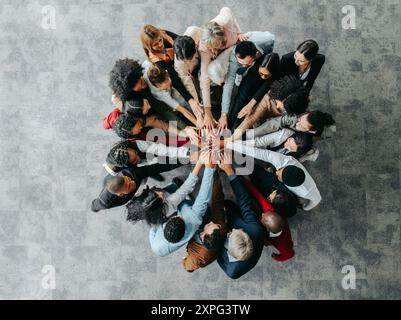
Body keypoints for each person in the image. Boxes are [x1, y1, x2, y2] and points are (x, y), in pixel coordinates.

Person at [148, 150, 216, 257]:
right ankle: (179, 190)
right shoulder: (194, 219)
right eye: (178, 217)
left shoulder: (156, 243)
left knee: (178, 194)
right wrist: (210, 168)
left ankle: (176, 187)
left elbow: (153, 229)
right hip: (187, 207)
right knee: (194, 202)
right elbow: (204, 195)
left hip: (157, 246)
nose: (174, 215)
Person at [225, 141, 322, 211]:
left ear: (285, 184)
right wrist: (228, 144)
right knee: (256, 171)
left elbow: (316, 200)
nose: (276, 173)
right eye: (280, 170)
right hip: (272, 182)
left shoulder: (307, 192)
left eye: (279, 175)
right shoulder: (287, 161)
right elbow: (258, 153)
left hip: (280, 194)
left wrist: (305, 208)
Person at [216, 152, 265, 279]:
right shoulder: (255, 230)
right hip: (232, 213)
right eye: (237, 231)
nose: (231, 230)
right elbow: (244, 200)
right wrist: (229, 171)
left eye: (231, 234)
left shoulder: (233, 271)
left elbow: (218, 259)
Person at [139, 25, 203, 120]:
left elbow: (182, 43)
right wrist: (190, 99)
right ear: (149, 47)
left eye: (160, 40)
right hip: (175, 69)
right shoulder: (156, 59)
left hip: (182, 58)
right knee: (186, 92)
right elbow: (174, 77)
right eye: (155, 44)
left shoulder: (164, 34)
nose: (160, 45)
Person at [198, 7, 246, 129]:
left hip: (233, 46)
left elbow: (226, 9)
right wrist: (207, 112)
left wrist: (239, 32)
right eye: (211, 49)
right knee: (209, 72)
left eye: (216, 47)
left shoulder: (225, 20)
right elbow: (204, 78)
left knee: (230, 75)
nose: (213, 52)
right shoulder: (204, 48)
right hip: (222, 54)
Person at [217, 32, 275, 129]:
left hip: (262, 58)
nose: (243, 66)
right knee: (242, 92)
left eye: (246, 64)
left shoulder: (267, 39)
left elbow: (271, 45)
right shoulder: (234, 59)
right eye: (241, 63)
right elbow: (228, 84)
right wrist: (224, 114)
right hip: (249, 61)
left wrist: (267, 60)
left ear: (255, 55)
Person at [230, 75, 310, 140]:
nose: (277, 106)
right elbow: (251, 119)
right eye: (276, 102)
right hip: (258, 123)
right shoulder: (269, 97)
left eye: (282, 107)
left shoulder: (297, 112)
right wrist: (230, 139)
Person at [241, 177, 295, 262]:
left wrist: (277, 257)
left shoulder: (284, 245)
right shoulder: (269, 211)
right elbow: (257, 194)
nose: (262, 214)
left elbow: (289, 254)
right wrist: (242, 179)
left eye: (262, 217)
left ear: (267, 228)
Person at [91, 163, 181, 212]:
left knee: (149, 169)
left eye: (128, 180)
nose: (132, 182)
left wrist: (188, 159)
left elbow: (162, 166)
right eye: (129, 185)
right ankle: (147, 173)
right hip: (131, 178)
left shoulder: (131, 173)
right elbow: (95, 205)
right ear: (120, 194)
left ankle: (149, 173)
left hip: (136, 171)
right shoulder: (104, 203)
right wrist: (94, 208)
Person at [181, 174, 227, 272]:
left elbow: (188, 266)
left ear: (203, 236)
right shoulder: (220, 227)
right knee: (216, 202)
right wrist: (215, 176)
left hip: (197, 231)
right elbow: (217, 201)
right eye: (212, 225)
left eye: (209, 225)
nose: (211, 222)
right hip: (209, 221)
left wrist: (184, 259)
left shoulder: (197, 258)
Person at [228, 51, 280, 129]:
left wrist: (251, 105)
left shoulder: (276, 73)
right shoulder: (254, 70)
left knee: (248, 115)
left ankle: (236, 132)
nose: (263, 77)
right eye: (261, 74)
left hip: (265, 89)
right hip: (252, 80)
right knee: (239, 106)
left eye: (266, 75)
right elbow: (242, 95)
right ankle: (228, 129)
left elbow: (264, 88)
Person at [104, 139, 194, 175]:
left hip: (146, 151)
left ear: (128, 148)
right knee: (163, 166)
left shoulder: (138, 144)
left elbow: (161, 149)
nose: (137, 157)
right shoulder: (129, 169)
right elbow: (145, 163)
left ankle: (190, 158)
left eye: (135, 153)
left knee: (166, 154)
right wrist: (153, 162)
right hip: (134, 167)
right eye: (135, 160)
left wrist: (187, 152)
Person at [112, 112, 200, 146]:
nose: (141, 127)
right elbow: (165, 138)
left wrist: (185, 130)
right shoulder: (138, 137)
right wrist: (186, 137)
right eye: (138, 129)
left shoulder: (130, 109)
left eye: (139, 125)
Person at [246, 110, 335, 139]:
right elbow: (271, 125)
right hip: (277, 126)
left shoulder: (313, 136)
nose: (297, 124)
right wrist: (251, 134)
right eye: (300, 120)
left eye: (302, 126)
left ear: (312, 131)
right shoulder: (294, 118)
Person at [243, 129, 314, 159]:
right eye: (289, 141)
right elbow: (258, 142)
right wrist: (239, 145)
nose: (287, 146)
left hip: (267, 153)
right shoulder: (282, 135)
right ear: (292, 136)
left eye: (291, 148)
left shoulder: (298, 153)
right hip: (258, 139)